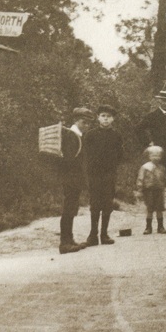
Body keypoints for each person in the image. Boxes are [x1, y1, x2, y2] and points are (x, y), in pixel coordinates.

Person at [83, 104, 124, 247]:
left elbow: (120, 155)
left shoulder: (116, 135)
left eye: (109, 117)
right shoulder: (90, 135)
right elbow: (85, 155)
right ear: (98, 118)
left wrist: (111, 167)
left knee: (107, 203)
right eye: (103, 116)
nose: (106, 119)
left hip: (109, 174)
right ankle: (92, 235)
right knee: (95, 204)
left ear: (113, 119)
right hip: (94, 175)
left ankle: (104, 234)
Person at [59, 107, 95, 254]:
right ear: (76, 120)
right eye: (83, 122)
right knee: (69, 209)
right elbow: (68, 159)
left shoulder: (77, 135)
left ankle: (69, 239)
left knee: (72, 208)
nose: (86, 125)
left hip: (74, 178)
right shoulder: (72, 136)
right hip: (70, 179)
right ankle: (64, 243)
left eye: (88, 123)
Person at [138, 86, 166, 161]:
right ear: (159, 101)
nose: (165, 103)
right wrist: (148, 143)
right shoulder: (152, 116)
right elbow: (139, 129)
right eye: (163, 100)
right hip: (158, 150)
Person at [137, 146, 166, 234]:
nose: (156, 158)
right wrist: (139, 189)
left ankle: (160, 227)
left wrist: (165, 188)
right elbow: (140, 178)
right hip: (148, 190)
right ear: (149, 156)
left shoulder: (162, 168)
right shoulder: (145, 167)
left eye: (158, 155)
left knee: (159, 208)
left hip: (159, 190)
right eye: (153, 155)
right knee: (149, 208)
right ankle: (148, 227)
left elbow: (164, 179)